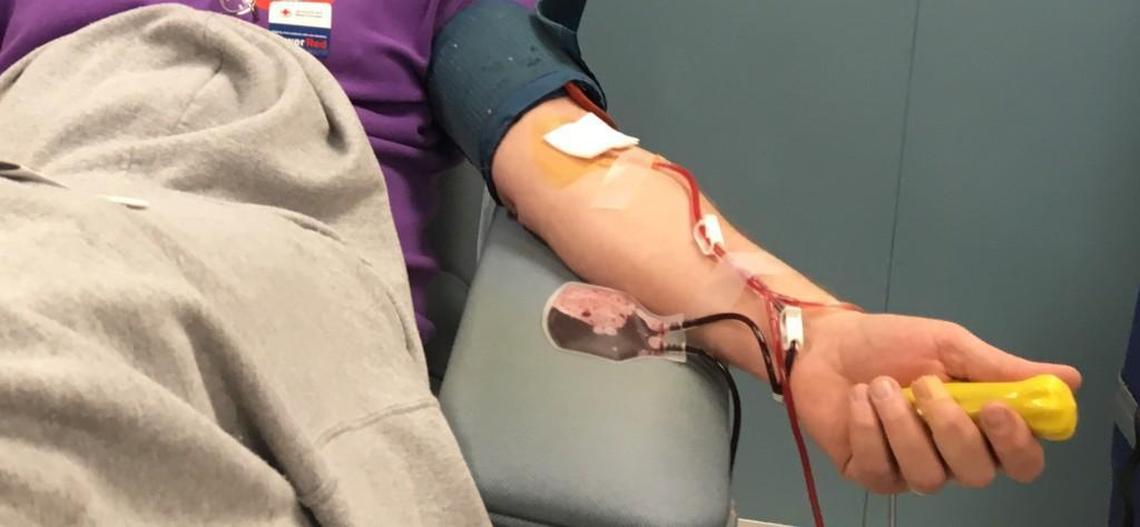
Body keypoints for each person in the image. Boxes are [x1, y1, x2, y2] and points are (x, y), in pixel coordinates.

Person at [0, 0, 1081, 524]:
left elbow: (583, 171)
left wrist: (809, 331)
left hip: (278, 253)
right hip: (46, 202)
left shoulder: (438, 10)